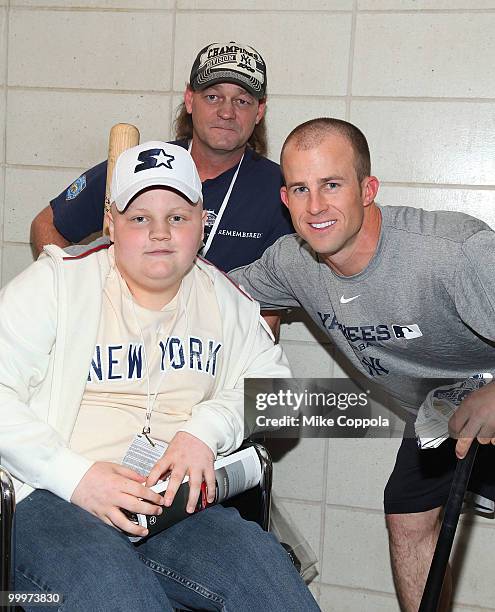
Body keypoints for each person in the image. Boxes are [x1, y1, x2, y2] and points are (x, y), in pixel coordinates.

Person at [0, 141, 319, 611]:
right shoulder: (56, 284)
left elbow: (279, 393)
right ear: (111, 222)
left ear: (202, 222)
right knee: (121, 594)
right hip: (51, 495)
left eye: (177, 217)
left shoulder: (224, 298)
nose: (160, 233)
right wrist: (76, 476)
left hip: (168, 507)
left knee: (271, 584)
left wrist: (204, 431)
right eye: (139, 218)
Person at [230, 117, 495, 612]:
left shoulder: (452, 253)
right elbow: (214, 293)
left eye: (332, 185)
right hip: (441, 408)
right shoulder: (293, 262)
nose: (316, 207)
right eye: (300, 189)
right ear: (284, 201)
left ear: (367, 189)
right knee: (408, 518)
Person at [30, 40, 293, 273]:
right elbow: (46, 225)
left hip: (221, 328)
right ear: (190, 100)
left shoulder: (282, 190)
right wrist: (74, 293)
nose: (226, 112)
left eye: (242, 101)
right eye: (213, 97)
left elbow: (269, 314)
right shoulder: (144, 164)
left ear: (260, 111)